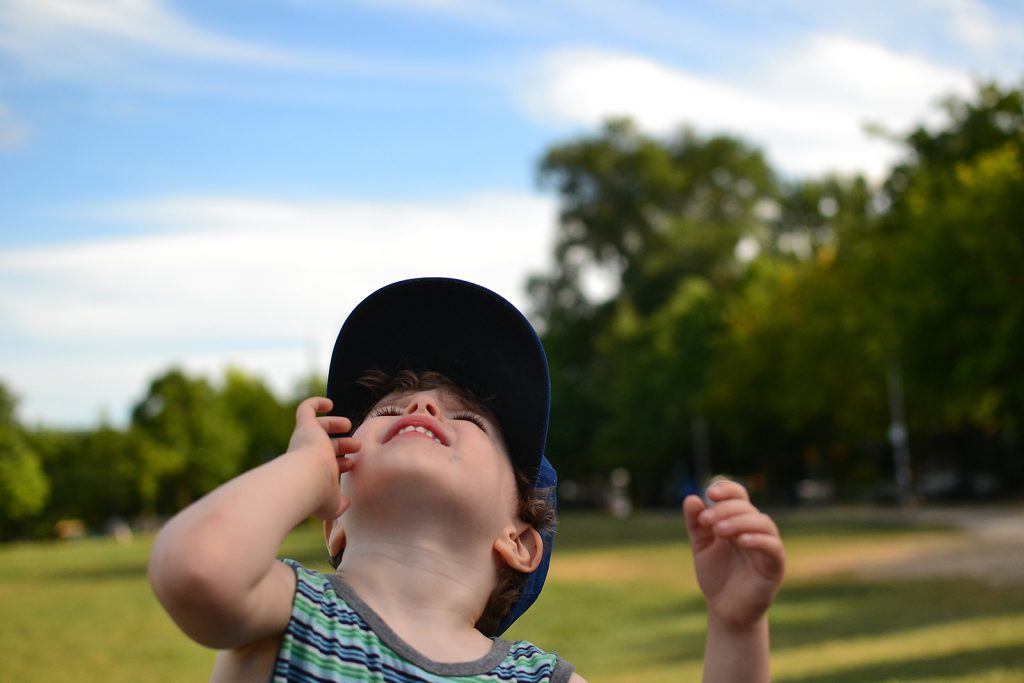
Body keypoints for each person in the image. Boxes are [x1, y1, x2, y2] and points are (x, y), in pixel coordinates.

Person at [149, 277, 785, 683]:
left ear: (519, 536)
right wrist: (302, 470)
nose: (422, 406)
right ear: (334, 515)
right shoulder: (288, 613)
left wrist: (735, 628)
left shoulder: (540, 681)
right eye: (388, 411)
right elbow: (195, 567)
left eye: (468, 418)